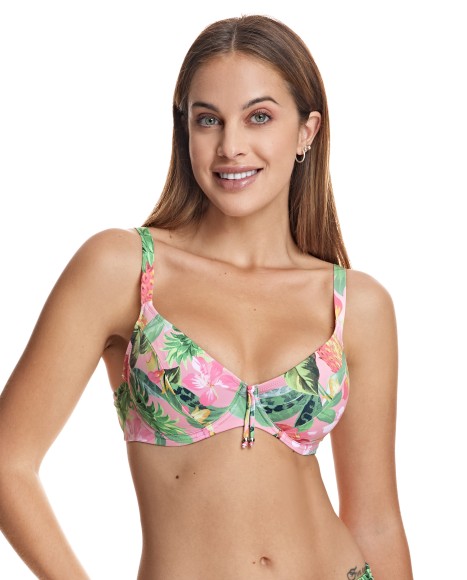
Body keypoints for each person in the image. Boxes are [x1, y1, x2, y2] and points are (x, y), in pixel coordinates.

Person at [0, 14, 413, 580]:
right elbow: (8, 462)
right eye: (208, 120)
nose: (231, 146)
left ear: (306, 131)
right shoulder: (123, 269)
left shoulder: (356, 304)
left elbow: (376, 522)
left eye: (259, 116)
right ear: (185, 129)